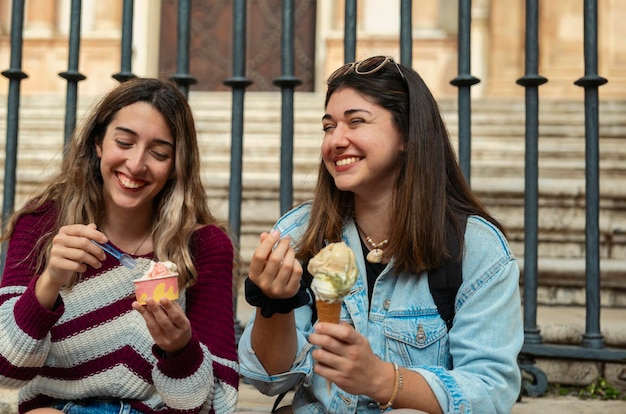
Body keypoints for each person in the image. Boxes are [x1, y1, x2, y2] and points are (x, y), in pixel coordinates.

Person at [237, 56, 523, 413]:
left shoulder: (476, 248)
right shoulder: (300, 234)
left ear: (406, 134)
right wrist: (274, 303)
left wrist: (381, 379)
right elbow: (270, 378)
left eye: (356, 122)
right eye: (329, 127)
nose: (336, 140)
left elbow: (491, 388)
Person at [0, 78, 239, 413]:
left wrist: (179, 348)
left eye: (158, 153)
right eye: (124, 142)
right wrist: (50, 281)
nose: (136, 164)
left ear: (175, 167)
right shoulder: (41, 225)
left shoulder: (203, 247)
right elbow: (7, 371)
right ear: (98, 142)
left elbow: (217, 404)